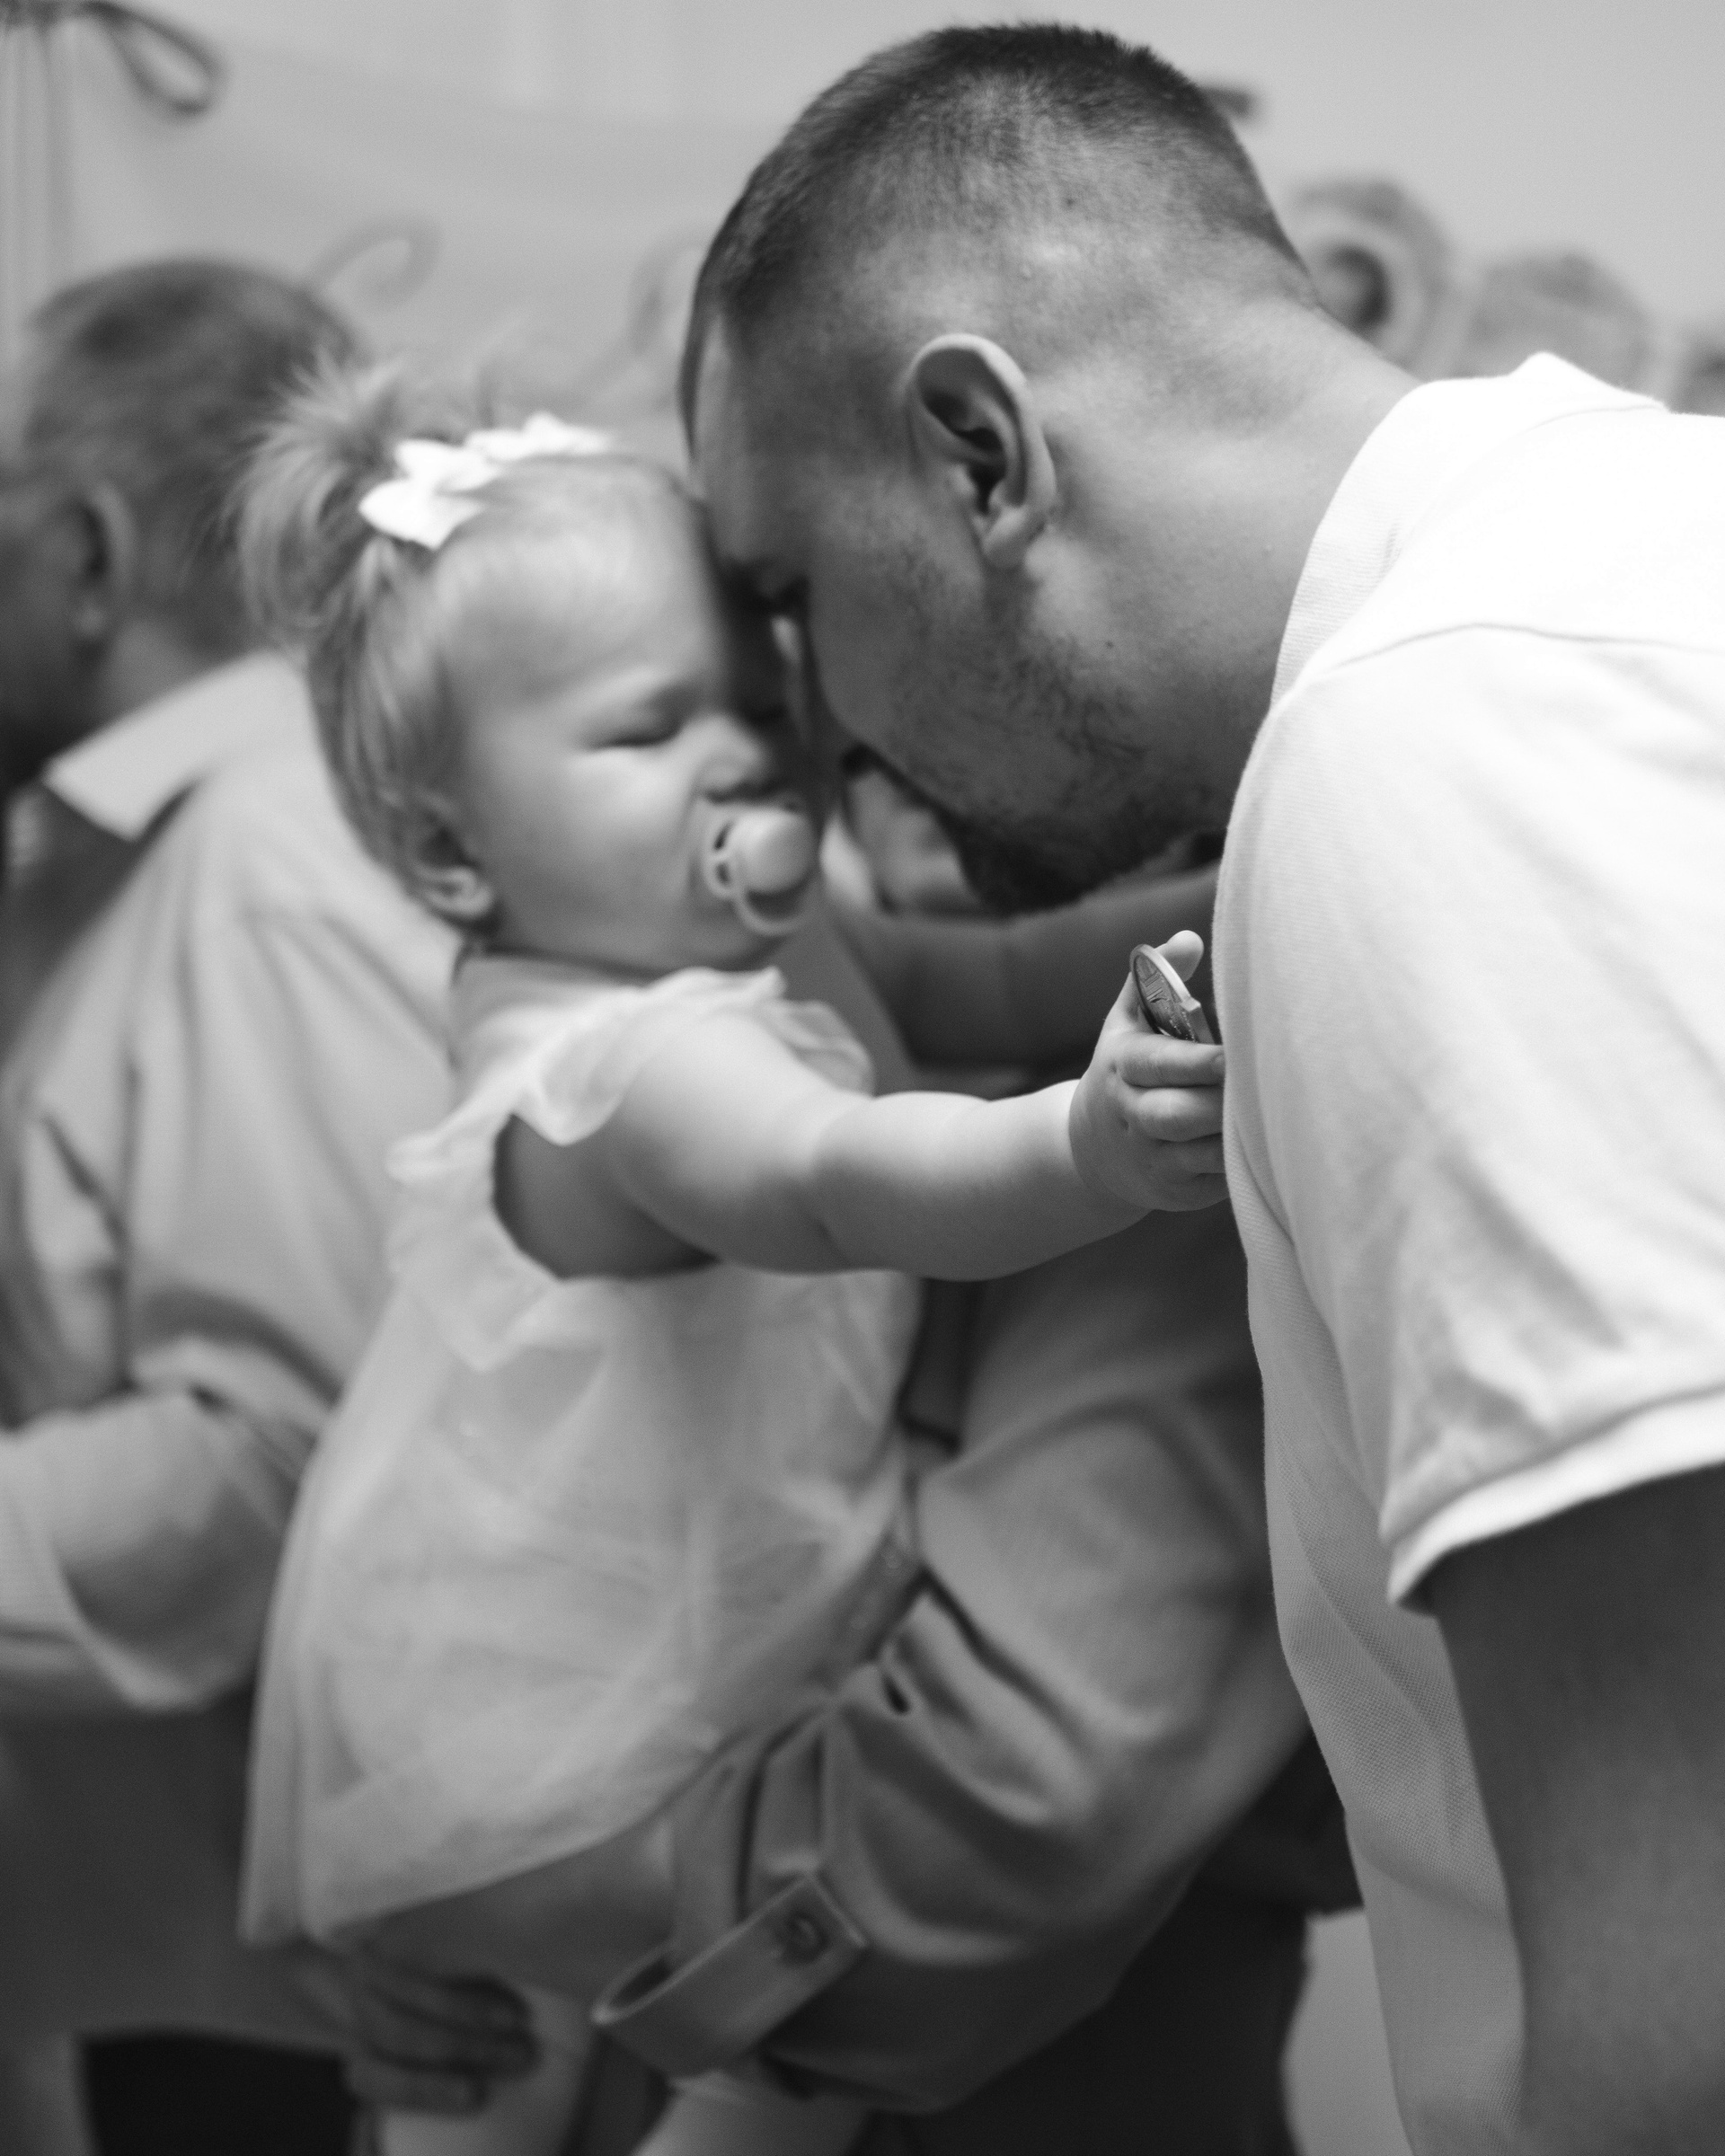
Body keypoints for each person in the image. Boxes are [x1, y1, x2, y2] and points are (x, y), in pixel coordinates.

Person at [681, 22, 1725, 2156]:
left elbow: (1683, 1998)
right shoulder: (1624, 559)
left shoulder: (1431, 739)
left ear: (980, 452)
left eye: (794, 595)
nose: (817, 725)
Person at [234, 362, 1229, 2156]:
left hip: (694, 1659)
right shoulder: (625, 1065)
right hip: (548, 1739)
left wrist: (1254, 897)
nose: (748, 759)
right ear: (452, 850)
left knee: (763, 2072)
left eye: (761, 703)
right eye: (650, 728)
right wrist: (1082, 1148)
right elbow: (833, 1174)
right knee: (599, 2082)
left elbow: (976, 989)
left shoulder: (723, 944)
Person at [0, 260, 501, 2148]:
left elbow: (288, 1447)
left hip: (298, 2017)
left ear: (89, 551)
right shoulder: (245, 829)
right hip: (227, 1957)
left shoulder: (265, 857)